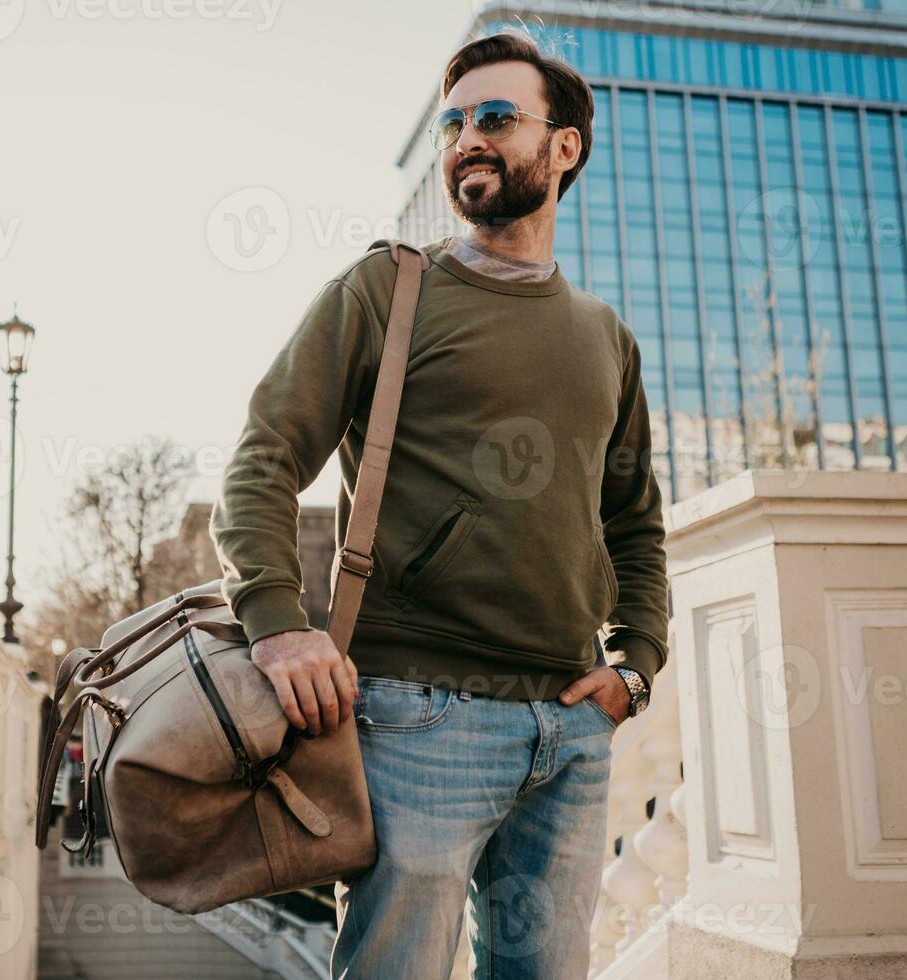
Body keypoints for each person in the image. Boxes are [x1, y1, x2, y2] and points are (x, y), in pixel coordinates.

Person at [210, 30, 669, 980]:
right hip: (412, 721)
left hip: (572, 729)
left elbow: (633, 522)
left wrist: (639, 663)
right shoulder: (386, 289)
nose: (467, 137)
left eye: (497, 118)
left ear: (564, 147)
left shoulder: (607, 338)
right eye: (455, 121)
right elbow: (263, 454)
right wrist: (276, 623)